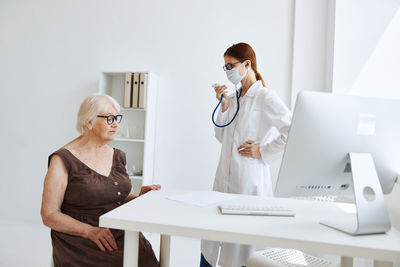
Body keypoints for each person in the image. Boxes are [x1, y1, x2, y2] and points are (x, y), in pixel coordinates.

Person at [41, 93, 161, 267]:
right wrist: (90, 232)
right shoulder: (62, 159)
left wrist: (141, 196)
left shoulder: (118, 156)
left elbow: (124, 198)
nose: (115, 123)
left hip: (120, 234)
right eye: (109, 118)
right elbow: (49, 214)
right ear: (89, 122)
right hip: (83, 240)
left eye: (117, 118)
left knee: (145, 258)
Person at [201, 43, 292, 267]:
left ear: (247, 64)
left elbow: (292, 130)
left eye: (230, 65)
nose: (227, 70)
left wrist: (263, 150)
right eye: (225, 67)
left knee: (242, 252)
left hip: (249, 184)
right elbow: (223, 138)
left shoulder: (265, 97)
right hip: (223, 181)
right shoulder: (234, 97)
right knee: (214, 246)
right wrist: (224, 106)